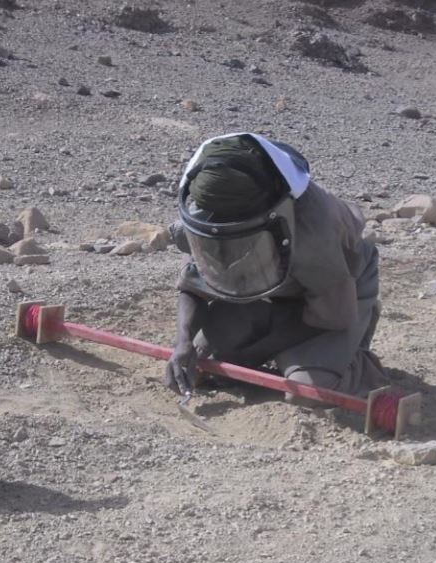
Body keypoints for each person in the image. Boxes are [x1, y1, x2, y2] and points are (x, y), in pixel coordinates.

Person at [165, 132, 388, 401]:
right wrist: (183, 341)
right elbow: (193, 285)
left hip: (339, 295)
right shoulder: (209, 209)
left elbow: (334, 316)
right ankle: (289, 350)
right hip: (275, 290)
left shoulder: (313, 230)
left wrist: (254, 353)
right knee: (205, 359)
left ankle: (357, 344)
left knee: (309, 390)